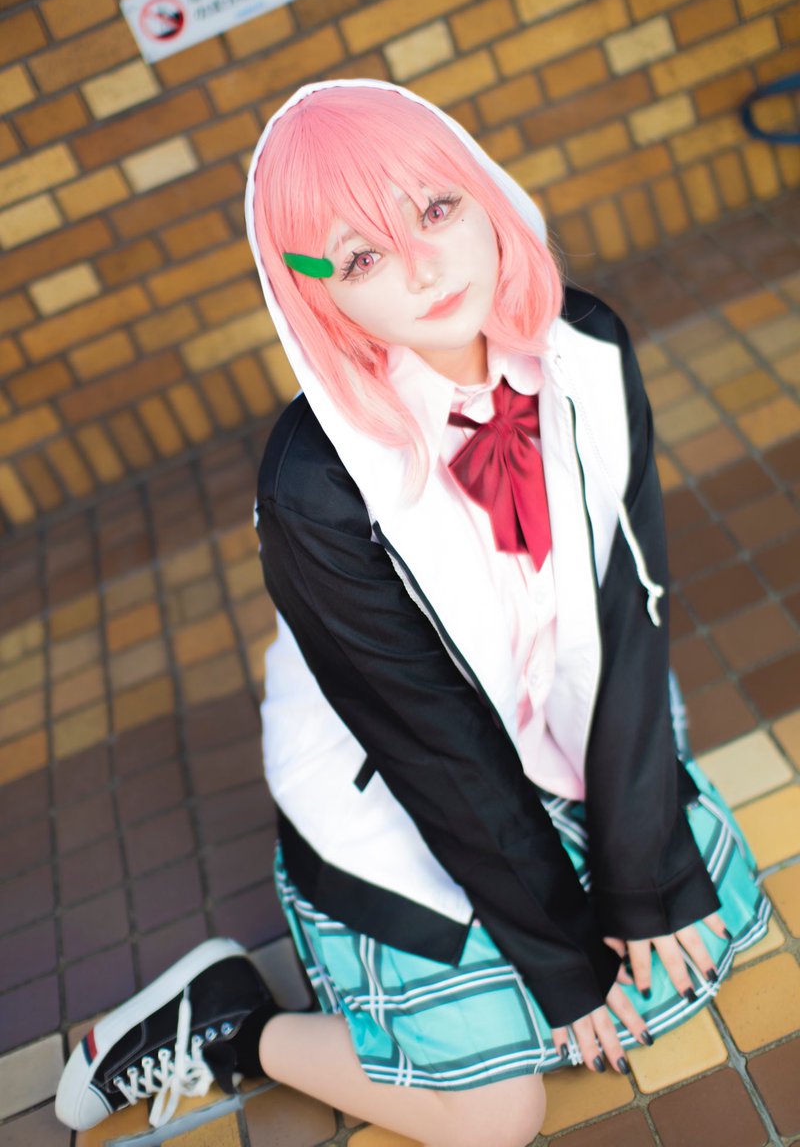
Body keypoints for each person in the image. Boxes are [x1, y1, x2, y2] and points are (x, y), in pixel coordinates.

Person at [56, 81, 770, 1147]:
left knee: (689, 940)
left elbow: (628, 612)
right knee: (496, 1115)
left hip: (552, 724)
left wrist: (642, 873)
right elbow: (427, 741)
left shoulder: (582, 347)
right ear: (313, 295)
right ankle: (235, 1025)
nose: (425, 267)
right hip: (395, 784)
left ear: (484, 194)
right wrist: (560, 957)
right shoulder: (313, 484)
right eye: (360, 258)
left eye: (436, 209)